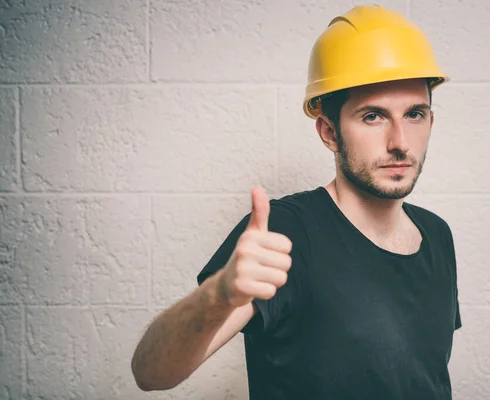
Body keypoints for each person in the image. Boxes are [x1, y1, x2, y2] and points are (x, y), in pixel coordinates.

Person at [131, 4, 462, 399]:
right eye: (373, 116)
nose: (400, 142)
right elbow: (151, 372)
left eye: (414, 114)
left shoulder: (438, 235)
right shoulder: (285, 234)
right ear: (329, 132)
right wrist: (216, 296)